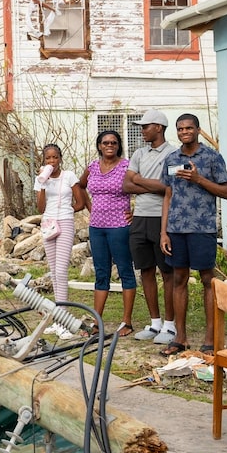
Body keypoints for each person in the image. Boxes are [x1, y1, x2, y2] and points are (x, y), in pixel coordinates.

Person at [159, 114, 227, 356]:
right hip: (176, 229)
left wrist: (199, 179)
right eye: (180, 129)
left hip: (203, 229)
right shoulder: (171, 158)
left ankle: (210, 340)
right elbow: (167, 196)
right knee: (178, 280)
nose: (184, 132)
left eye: (189, 128)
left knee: (207, 281)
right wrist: (164, 232)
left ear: (198, 130)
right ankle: (180, 338)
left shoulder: (212, 157)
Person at [122, 110, 177, 344]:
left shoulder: (174, 153)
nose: (142, 130)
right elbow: (126, 184)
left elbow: (170, 187)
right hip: (140, 218)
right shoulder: (139, 153)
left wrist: (140, 181)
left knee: (167, 272)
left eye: (146, 126)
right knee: (145, 270)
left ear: (159, 127)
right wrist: (154, 185)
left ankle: (170, 325)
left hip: (162, 218)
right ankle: (155, 323)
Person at [79, 130, 135, 337]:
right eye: (105, 142)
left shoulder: (127, 166)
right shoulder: (92, 167)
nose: (109, 145)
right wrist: (88, 206)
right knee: (101, 273)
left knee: (124, 271)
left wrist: (135, 213)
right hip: (97, 227)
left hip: (120, 226)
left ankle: (127, 322)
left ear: (118, 145)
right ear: (99, 146)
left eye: (113, 142)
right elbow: (80, 185)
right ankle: (96, 323)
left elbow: (143, 188)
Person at [34, 143, 85, 339]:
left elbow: (80, 202)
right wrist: (43, 184)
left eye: (55, 158)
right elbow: (40, 208)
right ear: (44, 160)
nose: (52, 162)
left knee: (62, 270)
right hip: (48, 223)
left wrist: (65, 212)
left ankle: (63, 320)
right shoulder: (41, 180)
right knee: (54, 272)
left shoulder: (69, 176)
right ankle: (57, 320)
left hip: (64, 221)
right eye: (48, 158)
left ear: (60, 159)